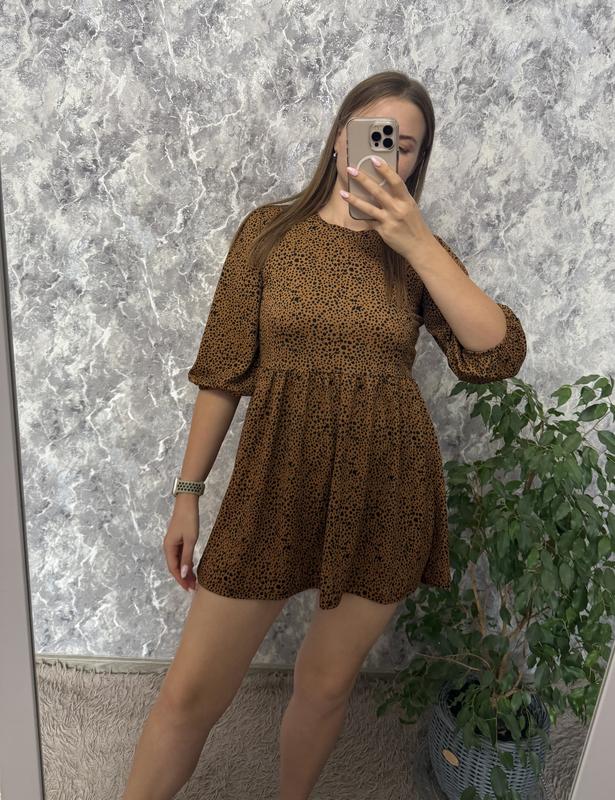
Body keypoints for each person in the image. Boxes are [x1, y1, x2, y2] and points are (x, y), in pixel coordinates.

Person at [121, 69, 527, 800]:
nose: (387, 151)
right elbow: (223, 370)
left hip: (385, 486)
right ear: (341, 135)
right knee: (189, 694)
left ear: (415, 161)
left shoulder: (416, 251)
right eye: (375, 132)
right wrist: (187, 493)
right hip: (275, 480)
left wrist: (417, 242)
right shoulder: (270, 232)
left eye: (405, 145)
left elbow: (496, 354)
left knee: (326, 684)